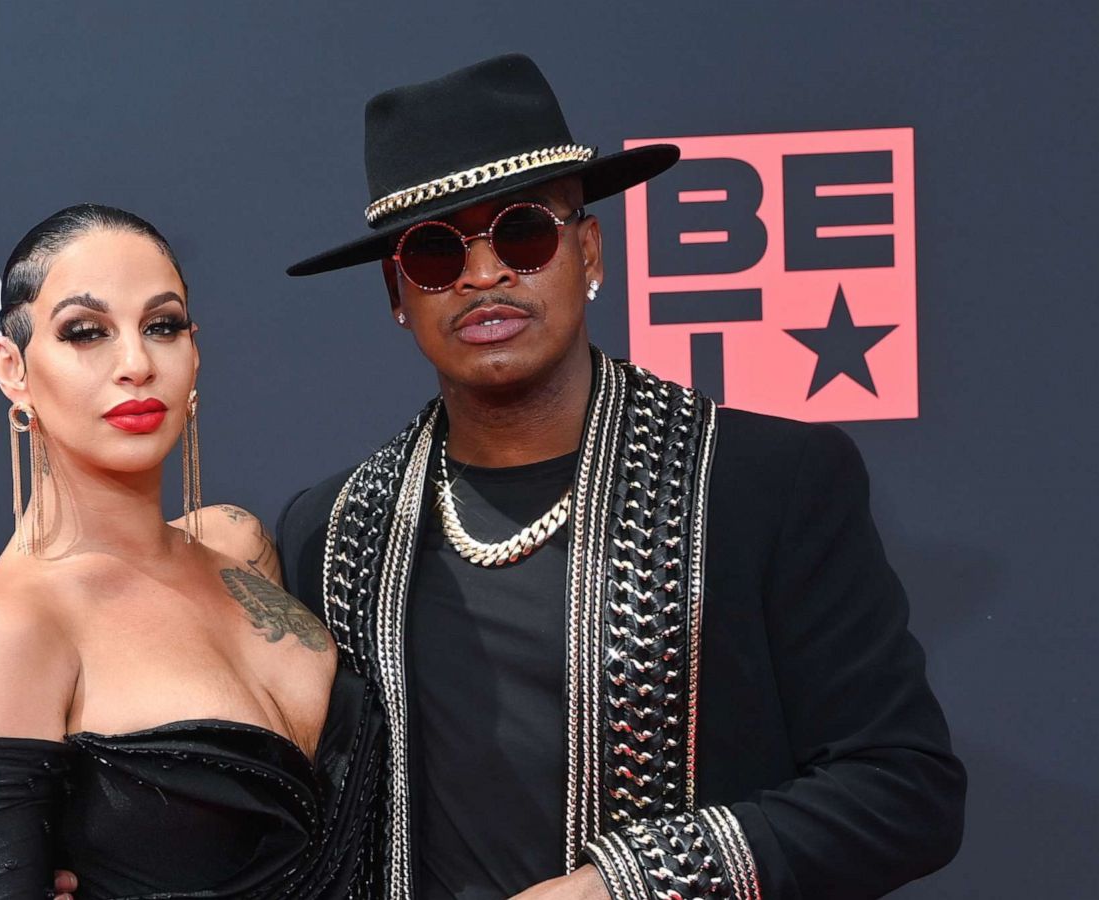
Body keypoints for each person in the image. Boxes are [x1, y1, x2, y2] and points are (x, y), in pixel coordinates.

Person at [276, 54, 966, 900]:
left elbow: (904, 788)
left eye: (524, 232)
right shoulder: (335, 533)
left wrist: (625, 886)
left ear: (588, 251)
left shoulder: (764, 484)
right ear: (397, 293)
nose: (485, 274)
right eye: (433, 254)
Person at [0, 204, 385, 899]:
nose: (136, 364)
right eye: (86, 332)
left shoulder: (240, 544)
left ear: (194, 351)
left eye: (162, 326)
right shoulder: (12, 631)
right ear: (12, 369)